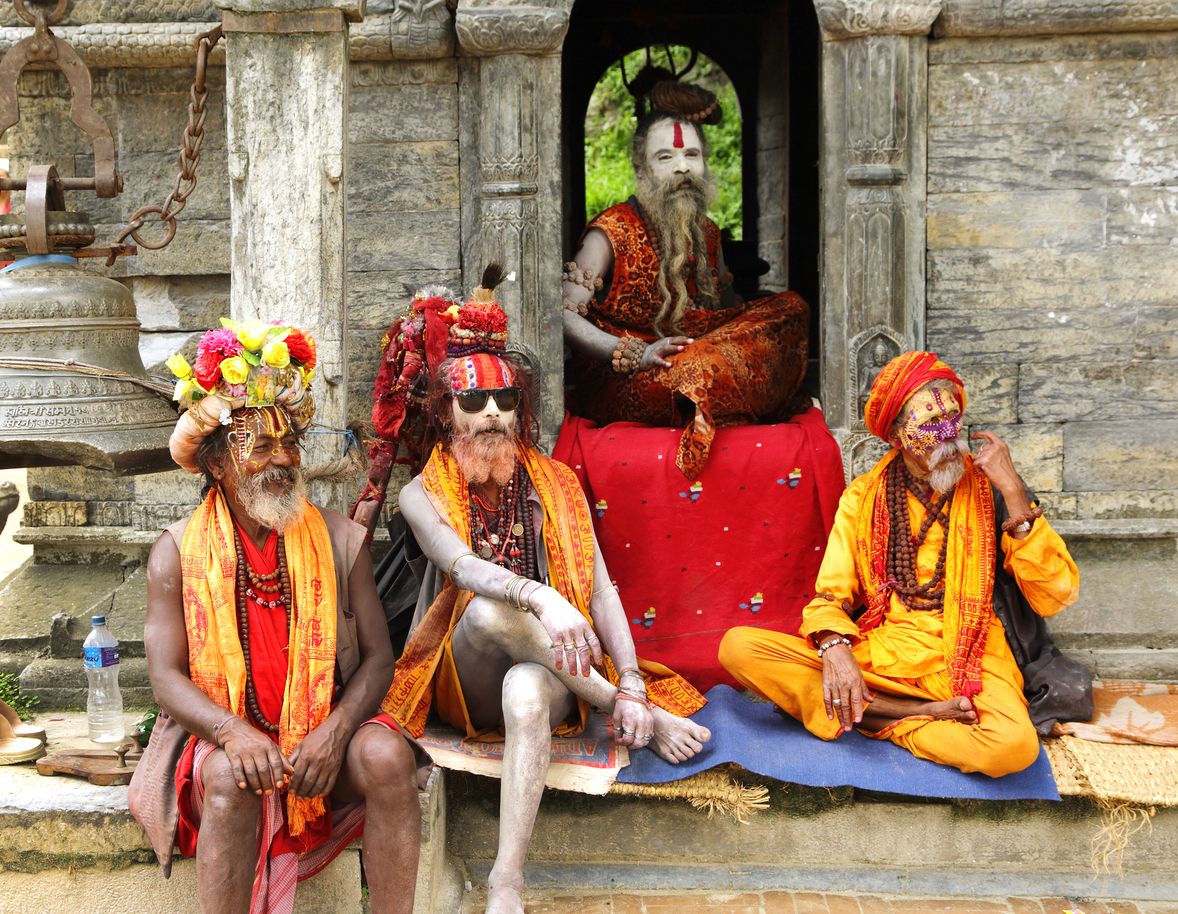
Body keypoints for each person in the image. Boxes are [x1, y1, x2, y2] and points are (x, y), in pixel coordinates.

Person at [381, 271, 711, 914]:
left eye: (503, 399)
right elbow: (464, 569)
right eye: (474, 404)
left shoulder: (557, 481)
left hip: (557, 672)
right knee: (485, 613)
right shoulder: (420, 493)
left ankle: (507, 881)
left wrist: (639, 678)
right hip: (462, 670)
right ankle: (624, 710)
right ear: (447, 413)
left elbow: (603, 589)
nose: (493, 414)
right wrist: (541, 597)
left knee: (528, 691)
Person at [132, 320, 422, 914]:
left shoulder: (342, 541)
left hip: (322, 742)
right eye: (259, 447)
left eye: (289, 442)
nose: (282, 458)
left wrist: (335, 731)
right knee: (228, 779)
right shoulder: (177, 550)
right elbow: (165, 678)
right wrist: (233, 732)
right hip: (224, 737)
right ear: (216, 465)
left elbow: (378, 658)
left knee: (388, 756)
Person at [719, 351, 1082, 777]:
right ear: (895, 437)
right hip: (886, 651)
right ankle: (921, 712)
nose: (949, 435)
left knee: (1013, 748)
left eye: (954, 419)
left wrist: (1015, 490)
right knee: (738, 647)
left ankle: (874, 717)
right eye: (930, 424)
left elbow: (1055, 594)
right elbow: (830, 596)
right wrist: (835, 650)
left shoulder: (995, 489)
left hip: (971, 654)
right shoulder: (863, 497)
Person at [562, 77, 810, 479]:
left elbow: (729, 315)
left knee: (791, 308)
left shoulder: (708, 232)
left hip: (698, 354)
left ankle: (711, 392)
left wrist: (748, 331)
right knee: (699, 368)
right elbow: (563, 316)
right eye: (665, 157)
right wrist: (634, 354)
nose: (682, 167)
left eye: (691, 155)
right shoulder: (609, 231)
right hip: (631, 375)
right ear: (641, 168)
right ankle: (715, 396)